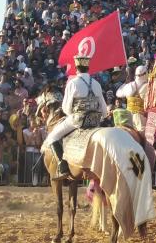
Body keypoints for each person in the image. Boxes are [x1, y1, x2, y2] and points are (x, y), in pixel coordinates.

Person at [42, 53, 107, 181]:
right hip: (95, 122)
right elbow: (103, 109)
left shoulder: (73, 83)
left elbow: (66, 109)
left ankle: (63, 167)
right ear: (88, 68)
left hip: (78, 121)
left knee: (52, 137)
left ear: (76, 68)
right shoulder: (96, 84)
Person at [115, 65, 148, 131]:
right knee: (146, 138)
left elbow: (117, 93)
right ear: (145, 74)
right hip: (140, 117)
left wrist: (125, 83)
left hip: (128, 116)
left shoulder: (129, 85)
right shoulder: (148, 85)